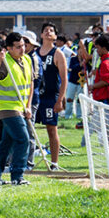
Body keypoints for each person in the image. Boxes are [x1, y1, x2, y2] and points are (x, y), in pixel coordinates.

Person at [0, 32, 33, 186]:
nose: (23, 49)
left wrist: (28, 106)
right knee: (23, 138)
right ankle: (17, 175)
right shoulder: (5, 62)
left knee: (6, 143)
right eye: (18, 47)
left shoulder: (26, 59)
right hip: (7, 108)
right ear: (9, 49)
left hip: (21, 107)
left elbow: (30, 83)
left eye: (23, 46)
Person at [35, 23, 67, 170]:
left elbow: (64, 79)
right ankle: (28, 161)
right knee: (29, 129)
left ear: (55, 36)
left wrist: (60, 99)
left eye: (52, 30)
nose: (48, 32)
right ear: (41, 35)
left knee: (51, 129)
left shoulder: (57, 53)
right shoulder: (34, 53)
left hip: (50, 97)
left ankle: (54, 163)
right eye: (45, 30)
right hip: (35, 96)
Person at [89, 34, 109, 105]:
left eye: (98, 48)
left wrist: (92, 86)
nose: (96, 51)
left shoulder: (106, 63)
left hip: (105, 98)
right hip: (104, 97)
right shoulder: (108, 59)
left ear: (104, 48)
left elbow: (105, 81)